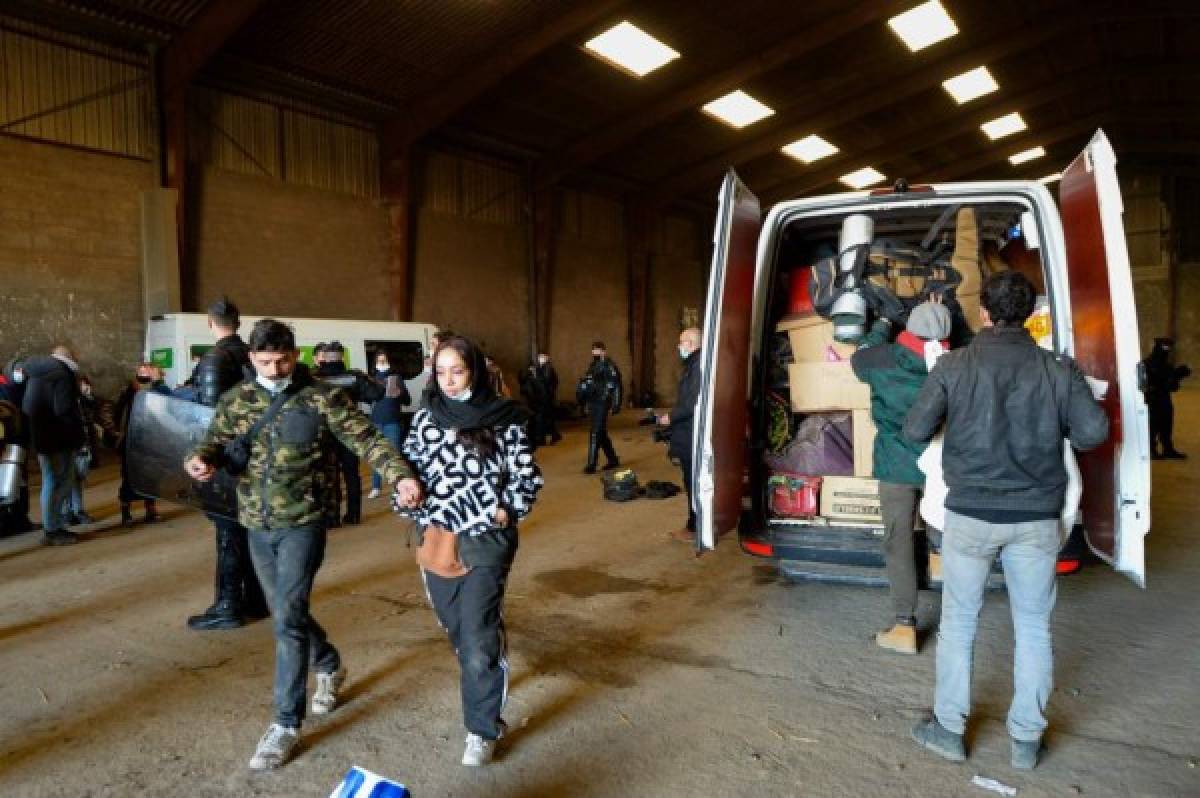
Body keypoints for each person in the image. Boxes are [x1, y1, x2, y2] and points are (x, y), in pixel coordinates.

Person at [185, 319, 422, 771]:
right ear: (252, 358)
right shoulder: (239, 400)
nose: (274, 369)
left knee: (288, 617)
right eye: (265, 361)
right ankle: (329, 663)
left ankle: (284, 725)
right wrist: (198, 461)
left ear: (296, 356)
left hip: (304, 521)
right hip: (255, 521)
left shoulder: (322, 397)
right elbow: (210, 442)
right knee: (284, 612)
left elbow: (367, 438)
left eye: (282, 360)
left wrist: (400, 475)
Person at [903, 272, 1109, 770]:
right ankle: (1025, 742)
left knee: (958, 624)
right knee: (1035, 628)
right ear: (1028, 317)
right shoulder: (1058, 368)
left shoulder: (954, 365)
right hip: (1036, 518)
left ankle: (949, 729)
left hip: (970, 517)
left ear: (984, 314)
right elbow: (1092, 433)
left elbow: (914, 429)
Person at [397, 334, 542, 767]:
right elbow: (406, 470)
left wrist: (505, 510)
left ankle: (482, 728)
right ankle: (489, 656)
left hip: (485, 538)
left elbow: (526, 479)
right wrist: (406, 493)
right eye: (440, 373)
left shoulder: (506, 419)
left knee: (476, 642)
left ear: (475, 371)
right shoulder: (426, 420)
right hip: (437, 536)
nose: (448, 381)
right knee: (458, 632)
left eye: (457, 371)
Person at [851, 300, 951, 654]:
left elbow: (859, 353)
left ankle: (904, 625)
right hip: (941, 462)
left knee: (898, 540)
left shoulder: (880, 360)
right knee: (941, 516)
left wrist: (881, 322)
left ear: (907, 330)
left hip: (896, 463)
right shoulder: (956, 364)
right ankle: (939, 555)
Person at [185, 297, 268, 631]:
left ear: (209, 322)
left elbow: (210, 419)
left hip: (229, 459)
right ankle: (256, 599)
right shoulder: (251, 355)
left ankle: (228, 605)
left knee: (228, 533)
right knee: (247, 531)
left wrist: (205, 458)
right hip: (256, 456)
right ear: (238, 321)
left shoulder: (215, 359)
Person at [21, 346, 88, 546]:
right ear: (70, 358)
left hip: (41, 438)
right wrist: (78, 436)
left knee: (49, 481)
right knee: (61, 481)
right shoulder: (63, 373)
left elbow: (26, 404)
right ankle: (54, 529)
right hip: (61, 439)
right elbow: (64, 408)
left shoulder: (34, 372)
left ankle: (50, 527)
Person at [313, 341, 384, 524]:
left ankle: (332, 517)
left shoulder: (315, 378)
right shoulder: (353, 377)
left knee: (330, 475)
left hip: (325, 434)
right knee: (351, 474)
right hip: (351, 433)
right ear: (342, 357)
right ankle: (353, 515)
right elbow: (377, 393)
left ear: (323, 360)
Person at [658, 328, 703, 543]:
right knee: (692, 481)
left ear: (691, 343)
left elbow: (694, 403)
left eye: (681, 343)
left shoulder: (698, 366)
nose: (679, 347)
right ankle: (695, 524)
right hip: (689, 432)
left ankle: (695, 527)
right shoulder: (693, 364)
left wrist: (671, 417)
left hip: (692, 433)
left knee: (693, 481)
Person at [113, 363, 171, 526]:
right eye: (141, 371)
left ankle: (150, 509)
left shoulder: (157, 390)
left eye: (148, 371)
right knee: (128, 476)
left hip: (150, 440)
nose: (144, 373)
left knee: (150, 476)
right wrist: (116, 433)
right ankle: (126, 512)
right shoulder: (129, 392)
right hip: (130, 440)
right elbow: (118, 413)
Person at [367, 350, 412, 499]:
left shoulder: (397, 378)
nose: (382, 363)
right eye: (379, 361)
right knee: (377, 456)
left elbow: (407, 401)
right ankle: (376, 487)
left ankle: (399, 487)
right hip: (377, 421)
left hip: (393, 422)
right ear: (375, 363)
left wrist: (401, 394)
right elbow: (367, 398)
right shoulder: (372, 378)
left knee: (395, 455)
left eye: (384, 360)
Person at [0, 359, 35, 535]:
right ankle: (5, 524)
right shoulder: (3, 386)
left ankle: (21, 519)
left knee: (19, 484)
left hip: (18, 442)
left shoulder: (16, 385)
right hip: (5, 443)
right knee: (5, 485)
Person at [577, 341, 622, 474]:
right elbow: (589, 382)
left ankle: (591, 464)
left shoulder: (609, 365)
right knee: (600, 432)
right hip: (593, 401)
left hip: (603, 401)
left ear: (603, 351)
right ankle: (613, 459)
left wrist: (616, 403)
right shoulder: (592, 365)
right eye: (593, 350)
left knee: (596, 432)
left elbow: (616, 385)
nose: (595, 352)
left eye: (597, 350)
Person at [61, 374, 100, 526]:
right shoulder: (64, 399)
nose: (82, 386)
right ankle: (66, 513)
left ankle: (77, 510)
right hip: (67, 446)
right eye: (80, 384)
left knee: (77, 479)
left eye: (84, 383)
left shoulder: (82, 400)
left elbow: (92, 412)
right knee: (66, 481)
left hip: (81, 446)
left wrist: (88, 396)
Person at [1142, 337, 1191, 459]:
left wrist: (1176, 376)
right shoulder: (1146, 364)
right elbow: (1146, 383)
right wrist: (1172, 376)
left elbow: (1172, 387)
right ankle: (1151, 450)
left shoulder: (1166, 366)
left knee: (1166, 425)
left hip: (1164, 400)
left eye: (1168, 348)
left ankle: (1168, 449)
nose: (1166, 351)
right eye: (1164, 347)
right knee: (1153, 426)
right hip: (1152, 400)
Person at [535, 353, 561, 444]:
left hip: (546, 397)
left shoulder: (547, 368)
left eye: (542, 357)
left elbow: (545, 380)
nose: (540, 359)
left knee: (542, 418)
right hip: (545, 396)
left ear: (547, 358)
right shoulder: (541, 368)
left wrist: (548, 392)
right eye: (539, 357)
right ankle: (554, 435)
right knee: (547, 418)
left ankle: (542, 438)